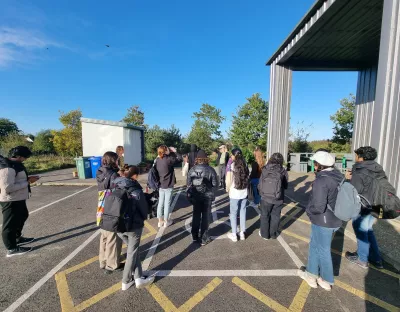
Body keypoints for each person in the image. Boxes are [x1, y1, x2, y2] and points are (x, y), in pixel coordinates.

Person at [298, 151, 343, 291]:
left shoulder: (322, 180)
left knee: (322, 249)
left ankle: (326, 279)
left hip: (323, 220)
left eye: (315, 163)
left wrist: (309, 212)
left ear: (319, 165)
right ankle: (311, 274)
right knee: (315, 246)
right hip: (336, 218)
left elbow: (318, 205)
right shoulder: (339, 177)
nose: (314, 165)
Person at [113, 166, 155, 290]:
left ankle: (138, 277)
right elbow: (143, 208)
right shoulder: (135, 189)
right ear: (135, 176)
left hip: (117, 224)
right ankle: (126, 281)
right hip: (133, 226)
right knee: (132, 253)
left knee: (133, 251)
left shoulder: (116, 184)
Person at [345, 146, 384, 269]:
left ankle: (362, 259)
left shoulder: (359, 169)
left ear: (361, 157)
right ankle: (376, 259)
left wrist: (347, 179)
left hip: (363, 206)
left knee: (361, 231)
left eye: (356, 155)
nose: (355, 157)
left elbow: (355, 190)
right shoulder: (377, 168)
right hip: (376, 205)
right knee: (368, 230)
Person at [0, 146, 38, 257]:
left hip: (18, 198)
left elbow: (17, 179)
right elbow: (7, 188)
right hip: (10, 200)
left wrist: (28, 178)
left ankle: (17, 238)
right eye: (24, 157)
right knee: (9, 225)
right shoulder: (8, 167)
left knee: (23, 216)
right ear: (19, 156)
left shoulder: (15, 165)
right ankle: (11, 249)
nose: (25, 159)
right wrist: (28, 182)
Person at [96, 152, 123, 274]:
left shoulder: (100, 172)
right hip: (111, 206)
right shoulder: (113, 175)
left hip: (101, 205)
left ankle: (103, 260)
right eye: (117, 160)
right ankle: (112, 264)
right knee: (113, 236)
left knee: (104, 236)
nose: (118, 162)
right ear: (113, 161)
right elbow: (119, 190)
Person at [187, 150, 218, 246]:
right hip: (207, 196)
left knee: (196, 215)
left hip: (196, 196)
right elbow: (215, 184)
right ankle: (204, 238)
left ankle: (195, 235)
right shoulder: (210, 169)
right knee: (205, 216)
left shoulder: (192, 169)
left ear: (197, 158)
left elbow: (188, 184)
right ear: (206, 158)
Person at [258, 153, 288, 240]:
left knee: (264, 215)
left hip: (265, 197)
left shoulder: (265, 169)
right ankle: (273, 234)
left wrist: (261, 193)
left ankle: (265, 235)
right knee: (276, 216)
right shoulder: (283, 170)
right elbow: (286, 185)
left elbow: (260, 184)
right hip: (278, 197)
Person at [155, 145, 182, 228]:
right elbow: (180, 159)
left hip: (160, 184)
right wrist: (174, 151)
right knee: (167, 204)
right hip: (168, 184)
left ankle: (160, 221)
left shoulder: (157, 160)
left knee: (160, 203)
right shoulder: (168, 159)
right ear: (166, 151)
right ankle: (166, 221)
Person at [225, 148, 249, 242]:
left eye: (232, 155)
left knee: (233, 213)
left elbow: (229, 180)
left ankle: (234, 234)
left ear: (234, 155)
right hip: (244, 192)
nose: (231, 156)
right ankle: (242, 232)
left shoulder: (232, 165)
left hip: (234, 192)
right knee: (243, 211)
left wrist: (227, 189)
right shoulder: (245, 164)